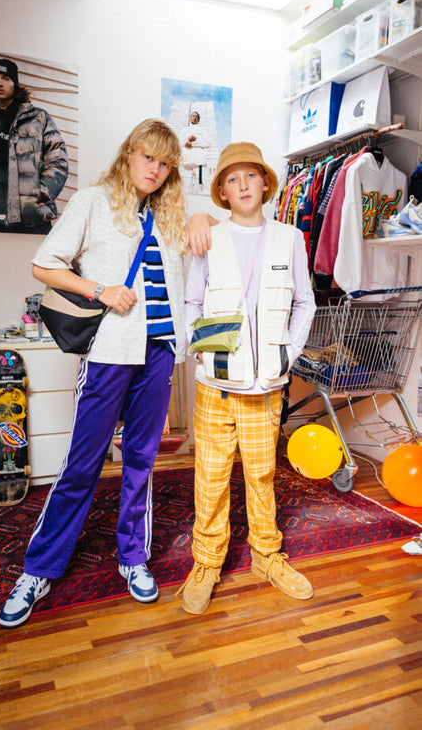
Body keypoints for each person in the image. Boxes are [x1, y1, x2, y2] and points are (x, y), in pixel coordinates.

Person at [0, 118, 187, 628]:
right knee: (82, 464)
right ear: (129, 154)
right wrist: (99, 290)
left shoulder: (168, 215)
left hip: (159, 353)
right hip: (109, 352)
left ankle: (133, 557)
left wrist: (205, 219)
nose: (155, 169)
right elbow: (44, 265)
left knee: (140, 462)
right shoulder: (92, 202)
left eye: (165, 163)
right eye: (148, 157)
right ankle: (38, 569)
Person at [178, 142, 316, 615]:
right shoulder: (209, 237)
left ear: (265, 183)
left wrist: (288, 353)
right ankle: (207, 562)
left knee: (261, 475)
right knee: (211, 477)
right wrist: (204, 349)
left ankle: (267, 556)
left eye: (250, 176)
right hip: (216, 386)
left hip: (266, 386)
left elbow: (305, 303)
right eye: (232, 179)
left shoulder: (290, 238)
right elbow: (193, 301)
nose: (242, 185)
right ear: (222, 190)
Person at [0, 58, 69, 233]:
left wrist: (40, 194)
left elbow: (58, 162)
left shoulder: (39, 119)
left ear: (15, 83)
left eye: (6, 78)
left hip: (30, 221)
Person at [178, 111, 210, 192]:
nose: (194, 118)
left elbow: (207, 143)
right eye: (193, 116)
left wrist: (194, 142)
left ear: (198, 119)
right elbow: (178, 142)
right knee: (185, 184)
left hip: (198, 160)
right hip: (186, 160)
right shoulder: (184, 130)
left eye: (196, 117)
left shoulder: (202, 130)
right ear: (190, 118)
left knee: (205, 183)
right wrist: (187, 141)